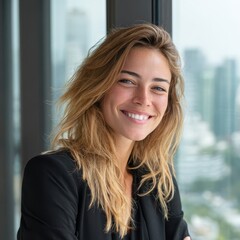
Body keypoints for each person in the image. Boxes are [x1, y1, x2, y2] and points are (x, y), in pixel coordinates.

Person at [17, 23, 191, 240]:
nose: (143, 99)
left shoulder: (158, 182)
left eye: (158, 88)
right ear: (99, 86)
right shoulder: (53, 175)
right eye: (127, 81)